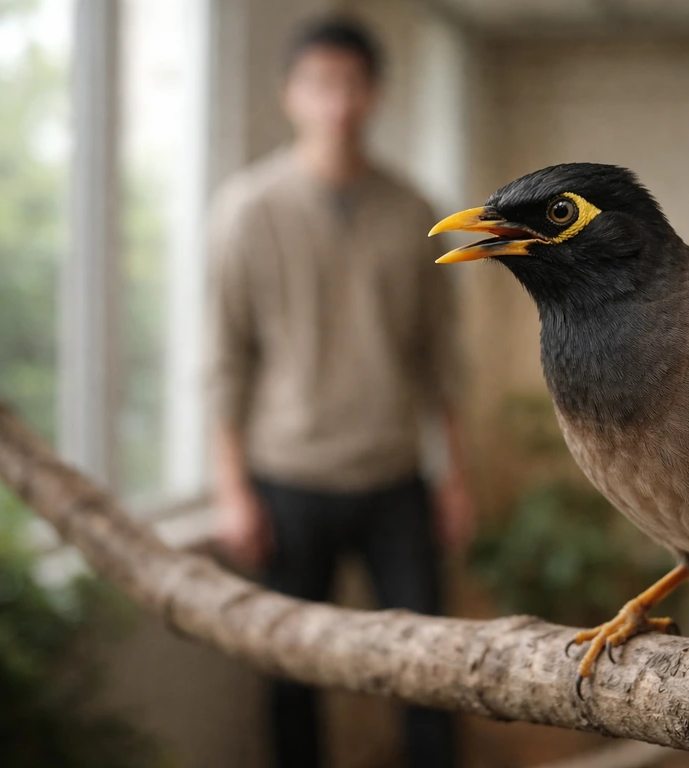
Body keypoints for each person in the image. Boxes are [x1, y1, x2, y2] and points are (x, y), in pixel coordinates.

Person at [205, 16, 472, 768]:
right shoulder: (246, 210)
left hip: (395, 480)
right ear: (292, 95)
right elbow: (224, 359)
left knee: (434, 671)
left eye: (353, 83)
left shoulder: (418, 212)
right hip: (286, 479)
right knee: (289, 679)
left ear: (375, 94)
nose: (338, 102)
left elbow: (439, 360)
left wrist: (455, 477)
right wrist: (231, 491)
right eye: (321, 83)